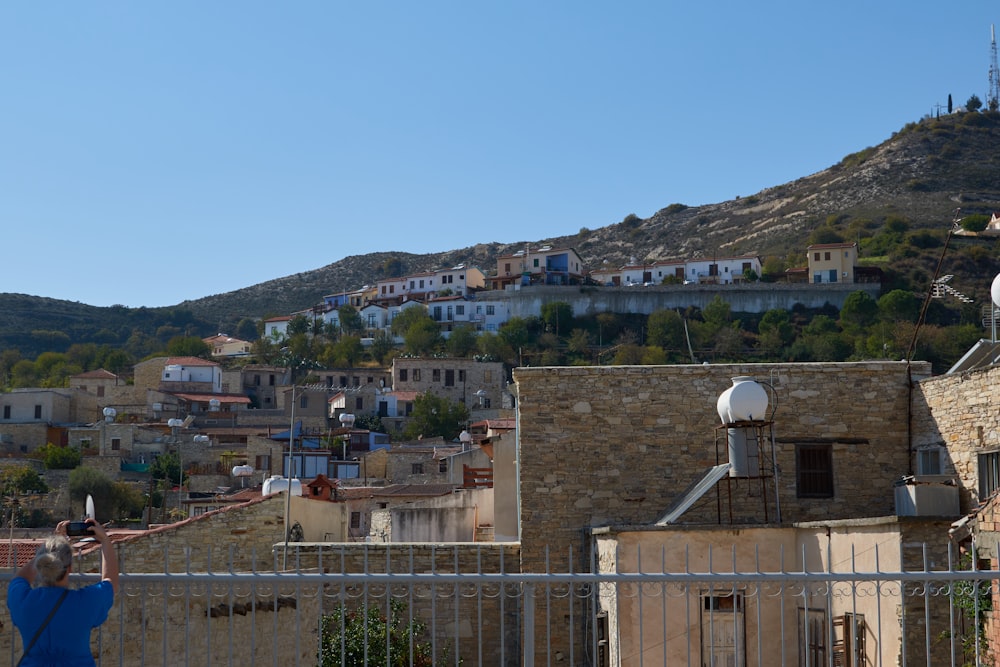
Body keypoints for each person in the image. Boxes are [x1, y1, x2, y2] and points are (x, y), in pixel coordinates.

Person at [6, 518, 119, 666]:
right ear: (70, 569)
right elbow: (110, 581)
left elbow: (20, 578)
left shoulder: (23, 602)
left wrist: (48, 548)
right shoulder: (85, 603)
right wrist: (104, 540)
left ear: (41, 565)